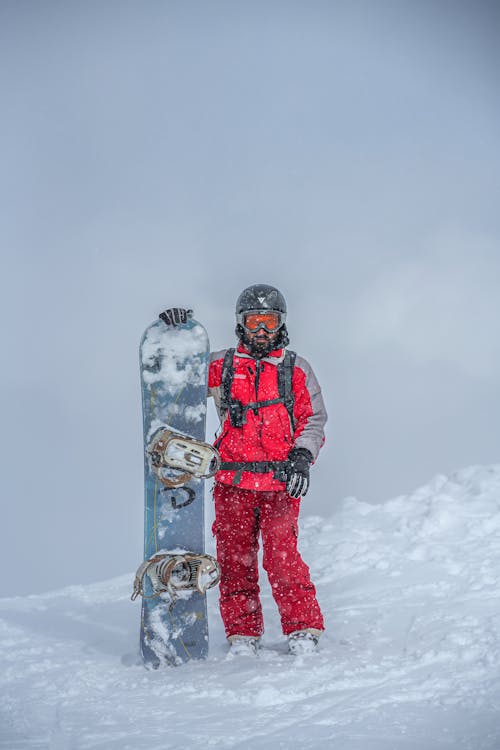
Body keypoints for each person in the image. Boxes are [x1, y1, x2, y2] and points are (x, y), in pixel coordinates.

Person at [162, 284, 327, 655]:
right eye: (255, 322)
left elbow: (313, 419)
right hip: (232, 482)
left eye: (269, 322)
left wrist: (302, 456)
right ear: (241, 324)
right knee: (235, 561)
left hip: (279, 483)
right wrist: (177, 336)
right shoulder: (223, 366)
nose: (262, 331)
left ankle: (302, 628)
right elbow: (181, 379)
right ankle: (243, 635)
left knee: (282, 560)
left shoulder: (295, 369)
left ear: (281, 323)